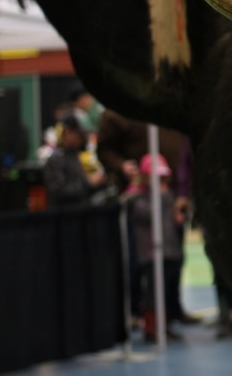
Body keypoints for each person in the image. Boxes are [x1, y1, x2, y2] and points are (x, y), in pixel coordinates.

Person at [97, 109, 198, 325]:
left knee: (174, 259)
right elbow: (104, 150)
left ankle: (172, 308)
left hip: (171, 199)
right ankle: (139, 312)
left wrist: (182, 192)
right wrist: (121, 166)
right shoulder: (118, 111)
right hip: (142, 202)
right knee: (141, 264)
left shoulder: (172, 104)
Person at [126, 153, 185, 343]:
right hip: (150, 252)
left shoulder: (168, 195)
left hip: (170, 249)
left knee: (167, 290)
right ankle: (151, 327)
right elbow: (148, 214)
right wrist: (160, 195)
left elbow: (174, 220)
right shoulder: (138, 198)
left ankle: (165, 325)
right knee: (152, 292)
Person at [42, 114, 108, 208]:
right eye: (80, 134)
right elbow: (59, 192)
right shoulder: (55, 160)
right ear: (68, 132)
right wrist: (88, 183)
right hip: (64, 217)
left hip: (81, 215)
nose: (83, 139)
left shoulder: (75, 155)